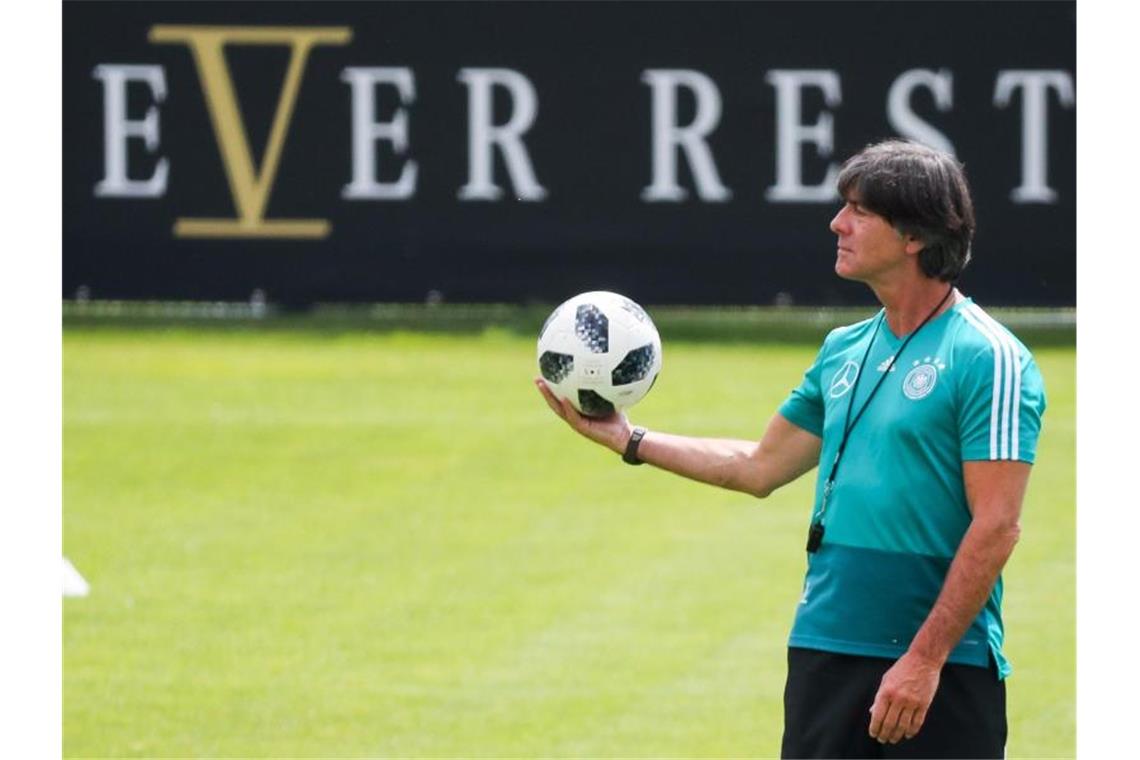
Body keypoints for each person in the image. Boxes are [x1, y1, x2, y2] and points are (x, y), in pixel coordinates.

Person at [535, 139, 1046, 759]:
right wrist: (628, 439)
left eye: (859, 210)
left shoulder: (989, 358)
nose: (838, 223)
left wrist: (924, 659)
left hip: (938, 667)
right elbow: (757, 466)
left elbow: (998, 524)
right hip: (826, 648)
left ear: (914, 235)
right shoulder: (843, 350)